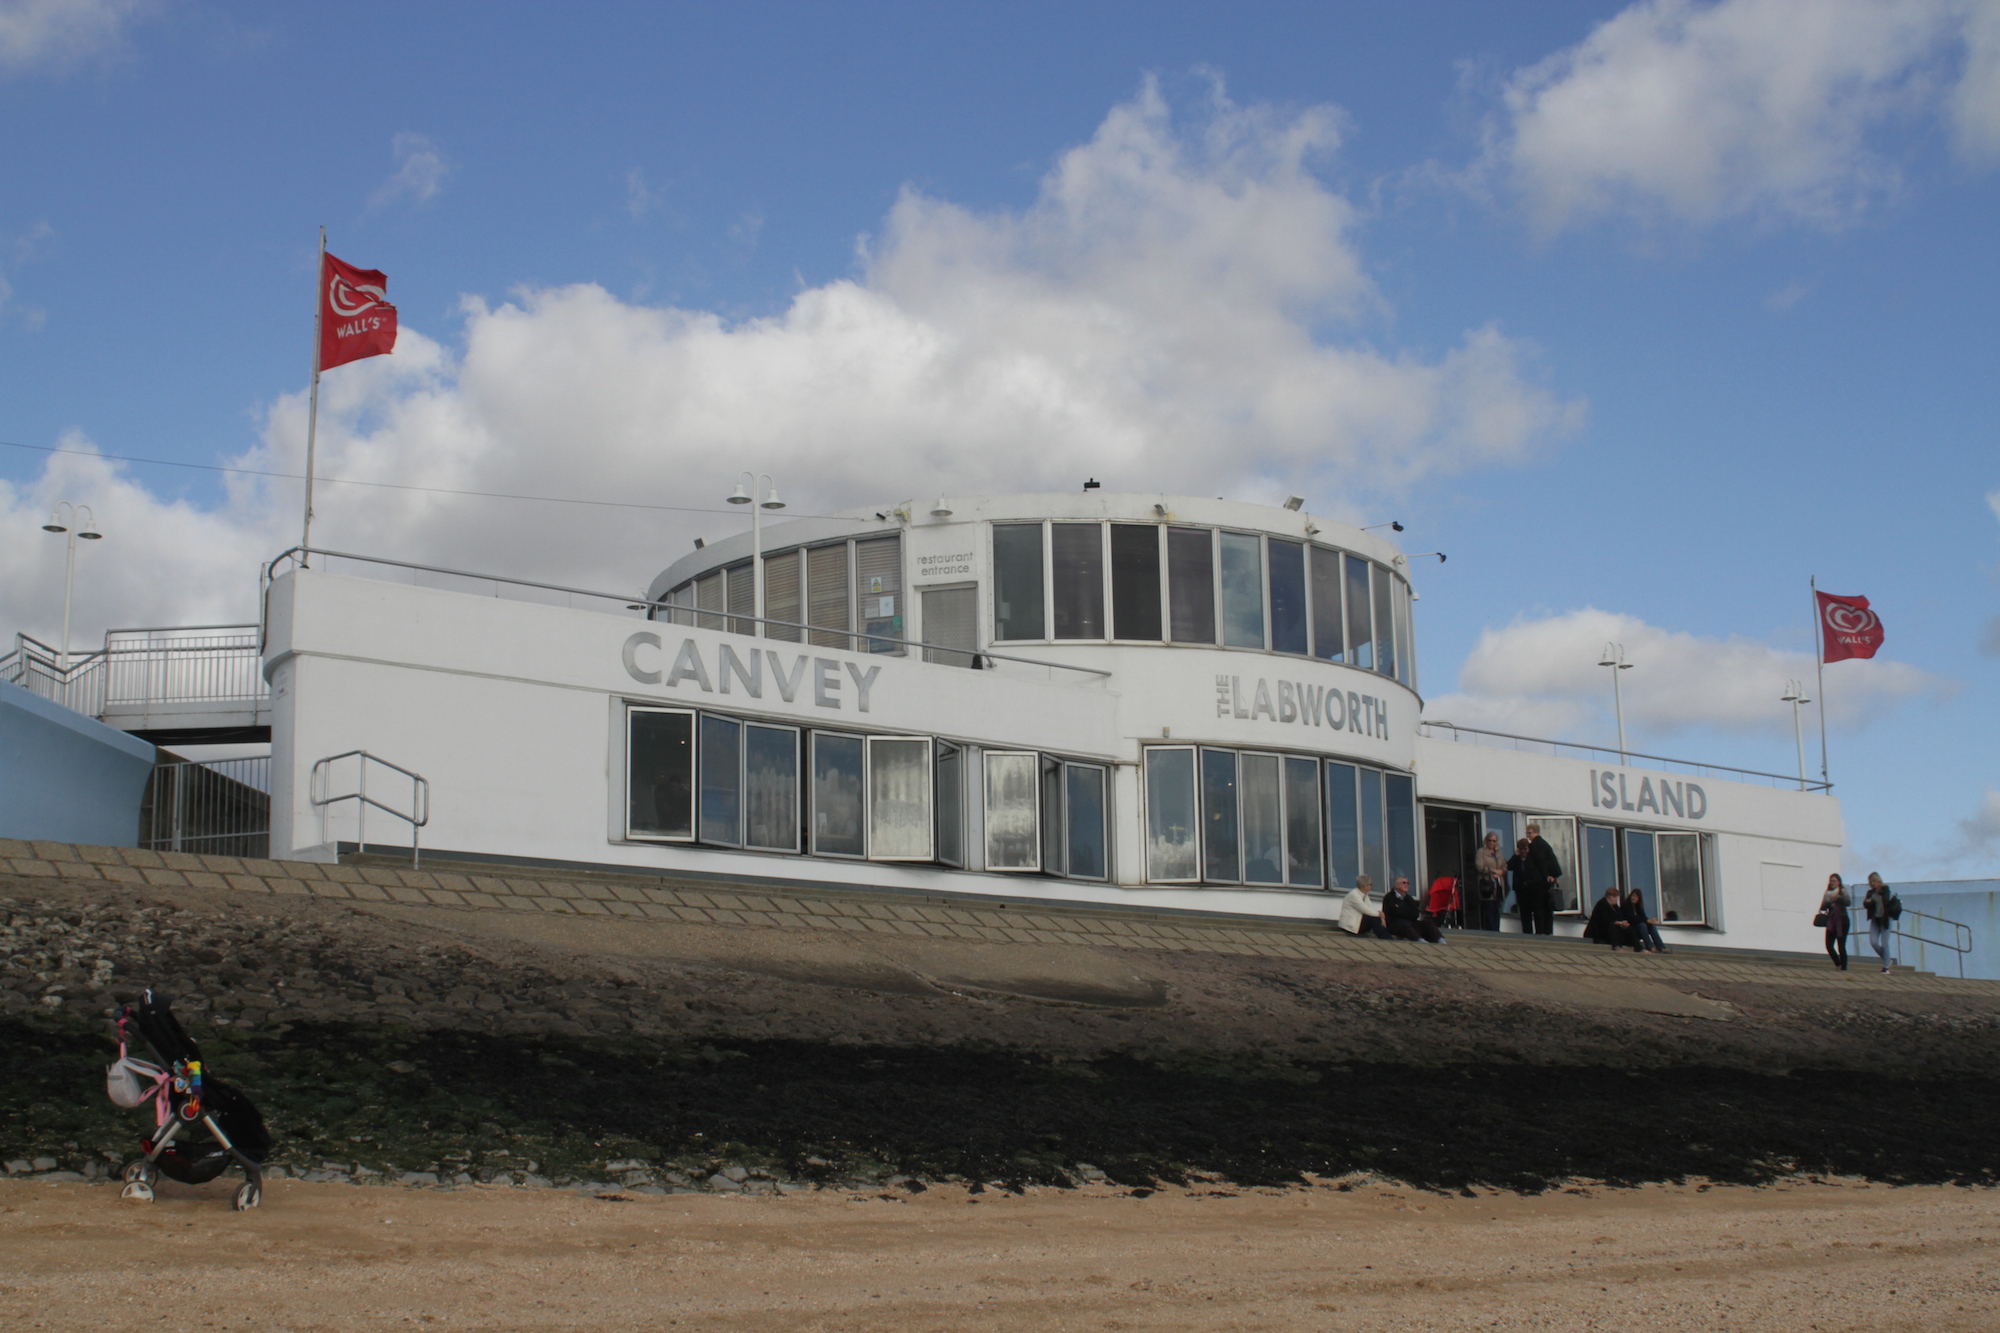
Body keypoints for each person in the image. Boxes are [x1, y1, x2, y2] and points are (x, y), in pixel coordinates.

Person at [1521, 822, 1563, 935]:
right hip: (1545, 882)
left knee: (1538, 908)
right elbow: (1552, 861)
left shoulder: (1535, 845)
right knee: (1547, 908)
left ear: (1535, 832)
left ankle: (1540, 931)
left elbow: (1541, 862)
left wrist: (1546, 875)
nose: (1528, 835)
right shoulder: (1545, 844)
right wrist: (1554, 875)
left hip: (1538, 882)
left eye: (1529, 833)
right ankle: (1548, 931)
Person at [1381, 875, 1444, 944]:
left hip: (1411, 924)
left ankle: (1441, 941)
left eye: (1407, 883)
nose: (1406, 885)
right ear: (1397, 885)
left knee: (1428, 922)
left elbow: (1415, 914)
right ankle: (1421, 942)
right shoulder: (1389, 897)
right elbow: (1395, 912)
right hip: (1395, 925)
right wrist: (1407, 912)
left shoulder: (1409, 898)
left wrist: (1402, 910)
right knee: (1405, 925)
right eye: (1404, 883)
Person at [1862, 873, 1901, 973]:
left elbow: (1885, 900)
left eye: (1874, 881)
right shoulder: (1870, 892)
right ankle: (1887, 959)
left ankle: (1886, 967)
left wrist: (1873, 900)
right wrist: (1869, 902)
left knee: (1884, 942)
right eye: (1871, 882)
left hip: (1885, 918)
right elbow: (1865, 903)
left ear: (1878, 881)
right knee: (1873, 942)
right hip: (1875, 919)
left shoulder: (1885, 889)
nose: (1872, 883)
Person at [1583, 885, 1639, 950]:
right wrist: (1619, 923)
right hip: (1598, 931)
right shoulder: (1602, 904)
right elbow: (1605, 921)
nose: (1616, 899)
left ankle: (1638, 947)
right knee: (1612, 927)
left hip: (1610, 930)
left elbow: (1620, 917)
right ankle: (1616, 946)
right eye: (1615, 897)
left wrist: (1623, 923)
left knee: (1629, 928)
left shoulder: (1615, 906)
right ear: (1610, 896)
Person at [1339, 874, 1393, 939]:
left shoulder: (1365, 895)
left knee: (1375, 919)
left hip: (1358, 923)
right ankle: (1386, 938)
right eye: (1370, 884)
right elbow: (1364, 909)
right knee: (1373, 919)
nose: (1371, 886)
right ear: (1365, 886)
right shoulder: (1353, 895)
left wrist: (1380, 916)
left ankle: (1386, 937)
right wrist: (1380, 914)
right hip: (1350, 926)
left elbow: (1370, 909)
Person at [1474, 831, 1507, 932]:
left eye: (1494, 841)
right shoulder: (1481, 852)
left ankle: (1497, 930)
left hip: (1498, 884)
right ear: (1486, 841)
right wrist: (1493, 871)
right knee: (1489, 909)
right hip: (1487, 884)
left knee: (1497, 909)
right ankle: (1490, 931)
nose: (1492, 843)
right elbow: (1479, 866)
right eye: (1490, 840)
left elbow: (1505, 865)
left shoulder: (1499, 853)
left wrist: (1501, 872)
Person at [1819, 872, 1851, 971]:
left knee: (1841, 945)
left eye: (1834, 881)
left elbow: (1848, 902)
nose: (1832, 883)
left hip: (1842, 920)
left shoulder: (1843, 891)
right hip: (1831, 921)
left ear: (1839, 882)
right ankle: (1838, 964)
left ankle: (1844, 967)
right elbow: (1823, 906)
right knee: (1829, 945)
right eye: (1831, 881)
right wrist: (1830, 903)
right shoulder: (1827, 893)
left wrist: (1838, 898)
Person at [1625, 886, 1668, 953]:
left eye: (1636, 897)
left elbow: (1643, 917)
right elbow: (1632, 918)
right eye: (1633, 896)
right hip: (1631, 929)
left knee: (1651, 926)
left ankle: (1661, 947)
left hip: (1639, 929)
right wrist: (1647, 921)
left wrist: (1650, 921)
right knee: (1642, 925)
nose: (1633, 898)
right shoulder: (1626, 905)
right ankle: (1650, 947)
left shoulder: (1638, 907)